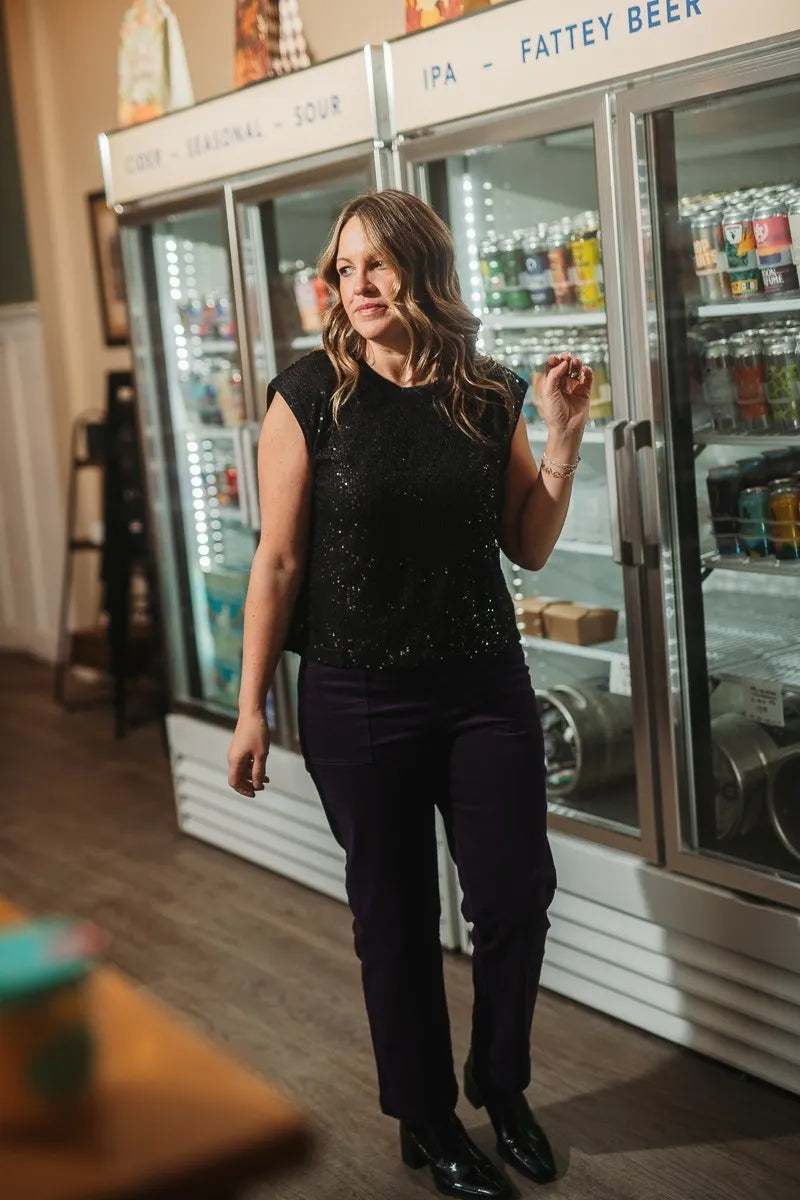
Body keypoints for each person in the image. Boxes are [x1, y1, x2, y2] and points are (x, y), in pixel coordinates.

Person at [228, 189, 591, 1198]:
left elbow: (525, 540)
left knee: (515, 894)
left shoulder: (484, 391)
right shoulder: (308, 393)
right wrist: (252, 704)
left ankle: (500, 1084)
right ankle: (426, 1119)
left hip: (482, 685)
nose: (359, 286)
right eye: (344, 269)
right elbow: (278, 561)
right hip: (358, 694)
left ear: (422, 267)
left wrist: (560, 437)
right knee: (389, 916)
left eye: (376, 264)